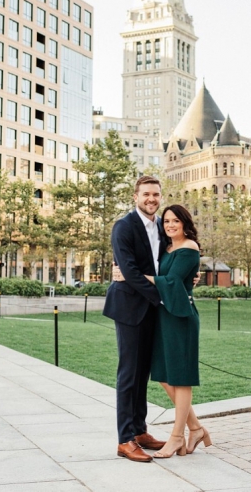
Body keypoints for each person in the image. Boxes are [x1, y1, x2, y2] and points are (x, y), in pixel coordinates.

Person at [103, 175, 168, 463]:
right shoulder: (124, 226)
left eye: (155, 194)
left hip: (151, 309)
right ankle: (125, 439)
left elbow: (166, 262)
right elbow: (128, 270)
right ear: (136, 197)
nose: (151, 199)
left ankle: (140, 431)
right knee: (128, 374)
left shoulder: (162, 227)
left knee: (142, 373)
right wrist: (160, 296)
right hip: (130, 307)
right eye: (146, 194)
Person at [144, 204, 211, 458]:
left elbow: (171, 281)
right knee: (162, 372)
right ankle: (195, 428)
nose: (170, 225)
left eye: (175, 221)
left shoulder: (189, 247)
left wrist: (141, 276)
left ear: (185, 223)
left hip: (181, 316)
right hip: (164, 315)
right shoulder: (168, 247)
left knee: (181, 376)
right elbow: (175, 277)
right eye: (167, 221)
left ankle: (176, 437)